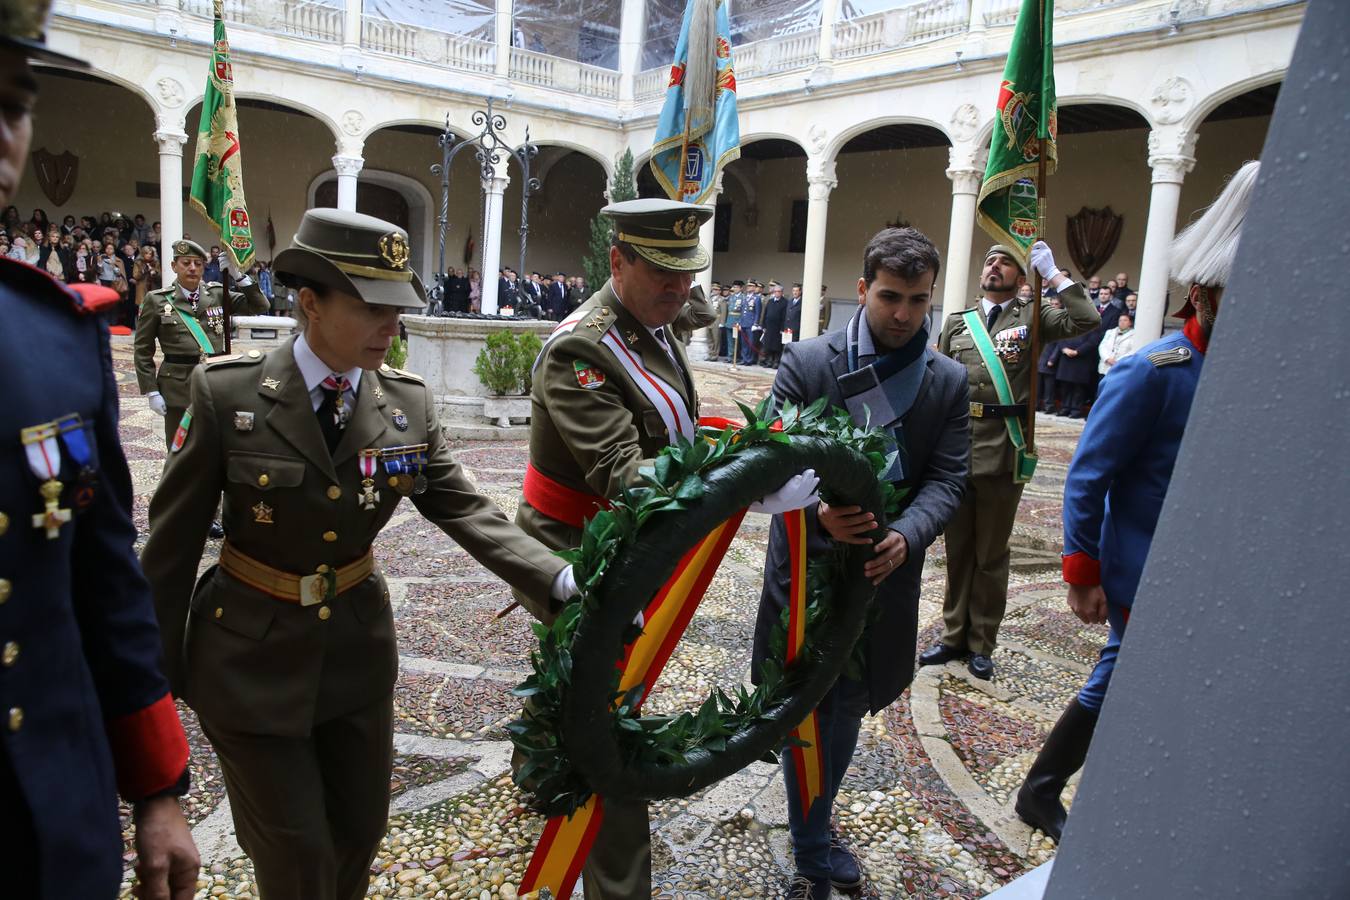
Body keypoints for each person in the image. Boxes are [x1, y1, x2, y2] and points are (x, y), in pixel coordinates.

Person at [140, 208, 579, 900]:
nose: (391, 326)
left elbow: (463, 506)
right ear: (310, 303)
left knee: (356, 840)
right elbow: (168, 550)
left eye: (399, 308)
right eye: (372, 306)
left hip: (354, 658)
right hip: (248, 662)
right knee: (298, 862)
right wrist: (150, 695)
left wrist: (560, 576)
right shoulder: (228, 394)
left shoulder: (404, 404)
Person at [515, 199, 814, 900]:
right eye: (662, 277)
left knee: (584, 698)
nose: (679, 293)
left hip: (632, 547)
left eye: (688, 277)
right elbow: (626, 475)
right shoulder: (579, 350)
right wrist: (746, 478)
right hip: (578, 556)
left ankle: (546, 777)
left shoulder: (653, 314)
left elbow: (689, 323)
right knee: (603, 719)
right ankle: (617, 882)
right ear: (616, 262)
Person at [0, 11, 199, 897]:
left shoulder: (54, 338)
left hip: (51, 817)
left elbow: (104, 577)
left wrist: (157, 787)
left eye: (11, 105)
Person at [1015, 161, 1260, 844]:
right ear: (1204, 292)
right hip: (1144, 566)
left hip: (1209, 567)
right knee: (1125, 672)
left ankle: (1064, 787)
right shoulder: (1154, 372)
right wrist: (1082, 573)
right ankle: (1043, 788)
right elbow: (1089, 477)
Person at [755, 227, 970, 900]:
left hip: (884, 576)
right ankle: (812, 844)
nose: (903, 314)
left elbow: (948, 479)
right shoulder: (809, 363)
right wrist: (815, 509)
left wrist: (907, 534)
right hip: (809, 570)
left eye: (916, 299)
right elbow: (764, 462)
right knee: (800, 702)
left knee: (844, 709)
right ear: (861, 290)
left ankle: (813, 832)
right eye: (888, 297)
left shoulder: (947, 380)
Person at [923, 242, 1099, 679]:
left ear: (1021, 278)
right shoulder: (958, 323)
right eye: (989, 261)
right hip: (959, 446)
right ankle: (951, 635)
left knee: (990, 553)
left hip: (1004, 446)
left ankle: (982, 641)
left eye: (1005, 263)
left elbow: (1086, 319)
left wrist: (1054, 275)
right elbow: (941, 382)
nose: (994, 267)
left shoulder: (1033, 316)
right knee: (958, 549)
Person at [134, 239, 269, 448]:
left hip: (214, 381)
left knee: (214, 446)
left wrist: (238, 276)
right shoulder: (157, 300)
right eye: (186, 263)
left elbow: (260, 305)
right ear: (173, 266)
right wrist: (151, 390)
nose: (192, 268)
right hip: (177, 386)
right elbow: (143, 350)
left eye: (198, 263)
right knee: (179, 448)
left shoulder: (217, 294)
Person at [1096, 311, 1137, 379]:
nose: (1122, 322)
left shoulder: (1135, 335)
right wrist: (1107, 358)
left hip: (1121, 368)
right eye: (1120, 320)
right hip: (1105, 367)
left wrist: (1118, 361)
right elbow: (1102, 346)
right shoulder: (1110, 332)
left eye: (1125, 320)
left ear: (1130, 323)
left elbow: (1132, 351)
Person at [760, 281, 788, 367]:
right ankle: (769, 361)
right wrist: (763, 325)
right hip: (769, 327)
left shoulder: (785, 302)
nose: (777, 293)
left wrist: (782, 329)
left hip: (778, 328)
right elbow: (765, 314)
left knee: (777, 346)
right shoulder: (770, 301)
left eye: (779, 291)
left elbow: (784, 317)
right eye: (775, 291)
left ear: (782, 292)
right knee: (768, 345)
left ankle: (776, 362)